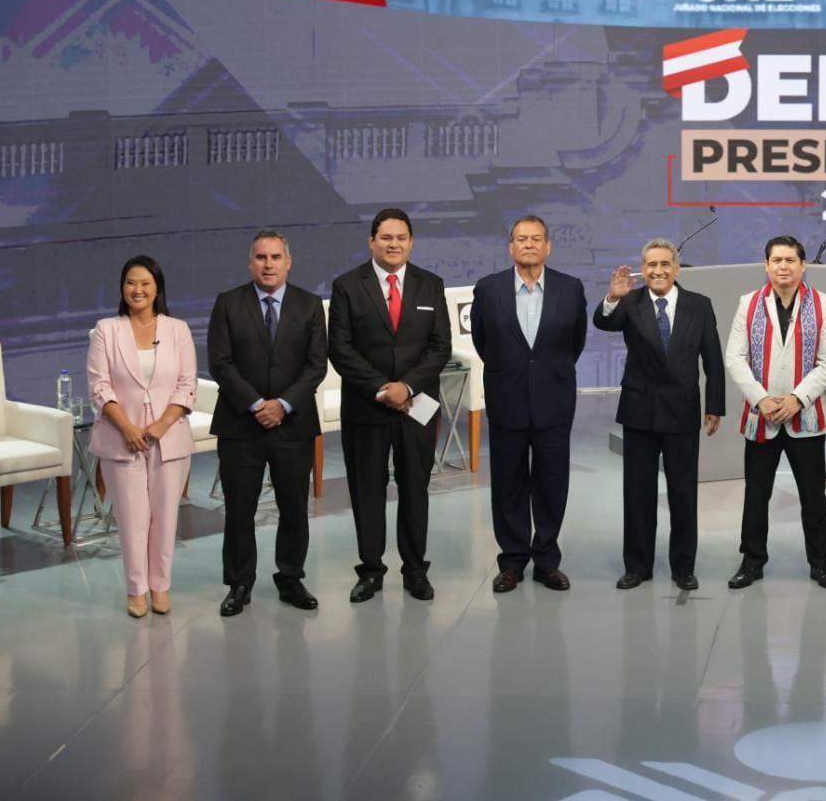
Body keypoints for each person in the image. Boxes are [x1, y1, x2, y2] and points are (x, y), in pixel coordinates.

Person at [328, 208, 452, 603]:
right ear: (371, 241)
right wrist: (383, 388)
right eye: (386, 237)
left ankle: (415, 570)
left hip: (418, 407)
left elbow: (440, 347)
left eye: (401, 238)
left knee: (416, 488)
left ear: (411, 242)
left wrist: (408, 387)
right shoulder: (348, 286)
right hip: (367, 407)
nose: (394, 244)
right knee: (367, 491)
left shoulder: (431, 285)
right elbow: (340, 349)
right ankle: (370, 571)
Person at [206, 230, 328, 616]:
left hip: (294, 425)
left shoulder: (309, 305)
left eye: (276, 257)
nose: (268, 264)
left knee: (294, 506)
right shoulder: (228, 304)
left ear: (288, 262)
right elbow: (220, 363)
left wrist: (284, 405)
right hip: (241, 425)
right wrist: (259, 404)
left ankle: (290, 578)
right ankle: (240, 583)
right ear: (250, 262)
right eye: (261, 257)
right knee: (240, 509)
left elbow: (316, 365)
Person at [594, 238, 724, 589]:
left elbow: (712, 359)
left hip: (682, 411)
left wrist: (715, 406)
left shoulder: (699, 305)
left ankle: (683, 567)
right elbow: (603, 322)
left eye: (665, 264)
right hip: (640, 411)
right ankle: (637, 566)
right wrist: (612, 297)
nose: (658, 270)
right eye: (651, 265)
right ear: (643, 268)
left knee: (683, 493)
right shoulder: (629, 301)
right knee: (638, 493)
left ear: (676, 269)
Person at [470, 215, 588, 594]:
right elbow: (482, 341)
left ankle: (547, 560)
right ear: (510, 247)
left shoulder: (571, 289)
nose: (529, 245)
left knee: (553, 485)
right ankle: (513, 561)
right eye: (521, 239)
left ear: (548, 246)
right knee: (508, 485)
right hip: (507, 401)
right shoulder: (488, 290)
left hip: (554, 402)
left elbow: (576, 343)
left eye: (536, 239)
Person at [723, 235, 826, 590]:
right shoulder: (748, 304)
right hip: (762, 416)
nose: (783, 266)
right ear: (766, 265)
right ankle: (752, 561)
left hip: (805, 416)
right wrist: (761, 399)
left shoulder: (823, 304)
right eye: (777, 260)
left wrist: (797, 398)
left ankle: (820, 562)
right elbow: (735, 357)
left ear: (803, 265)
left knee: (813, 495)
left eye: (790, 260)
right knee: (756, 494)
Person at [86, 256, 196, 618]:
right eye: (131, 283)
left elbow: (187, 384)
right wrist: (128, 427)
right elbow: (99, 385)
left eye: (146, 283)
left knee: (165, 517)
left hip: (169, 438)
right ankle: (136, 589)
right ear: (122, 288)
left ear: (157, 289)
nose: (138, 290)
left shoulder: (178, 329)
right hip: (122, 439)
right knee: (132, 519)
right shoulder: (106, 330)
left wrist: (162, 425)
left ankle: (160, 586)